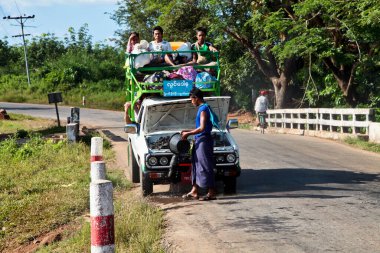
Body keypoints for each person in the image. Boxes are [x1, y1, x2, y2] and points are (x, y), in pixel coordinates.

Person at [181, 87, 216, 201]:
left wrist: (188, 134)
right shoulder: (203, 108)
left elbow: (201, 128)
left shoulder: (203, 109)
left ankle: (211, 193)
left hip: (204, 141)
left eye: (191, 99)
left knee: (206, 165)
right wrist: (187, 130)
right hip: (199, 140)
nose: (191, 102)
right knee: (196, 165)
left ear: (196, 98)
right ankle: (194, 191)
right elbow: (199, 127)